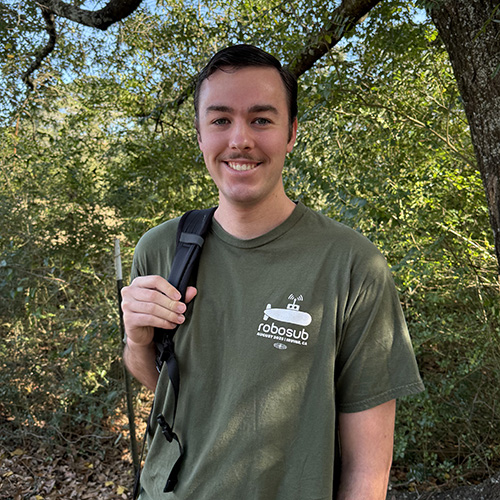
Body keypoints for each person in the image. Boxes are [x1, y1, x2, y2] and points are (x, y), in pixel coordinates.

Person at [122, 44, 424, 500]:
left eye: (261, 119)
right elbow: (171, 387)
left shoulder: (352, 265)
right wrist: (136, 339)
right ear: (200, 135)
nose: (240, 139)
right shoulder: (161, 250)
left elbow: (367, 468)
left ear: (291, 132)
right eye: (220, 119)